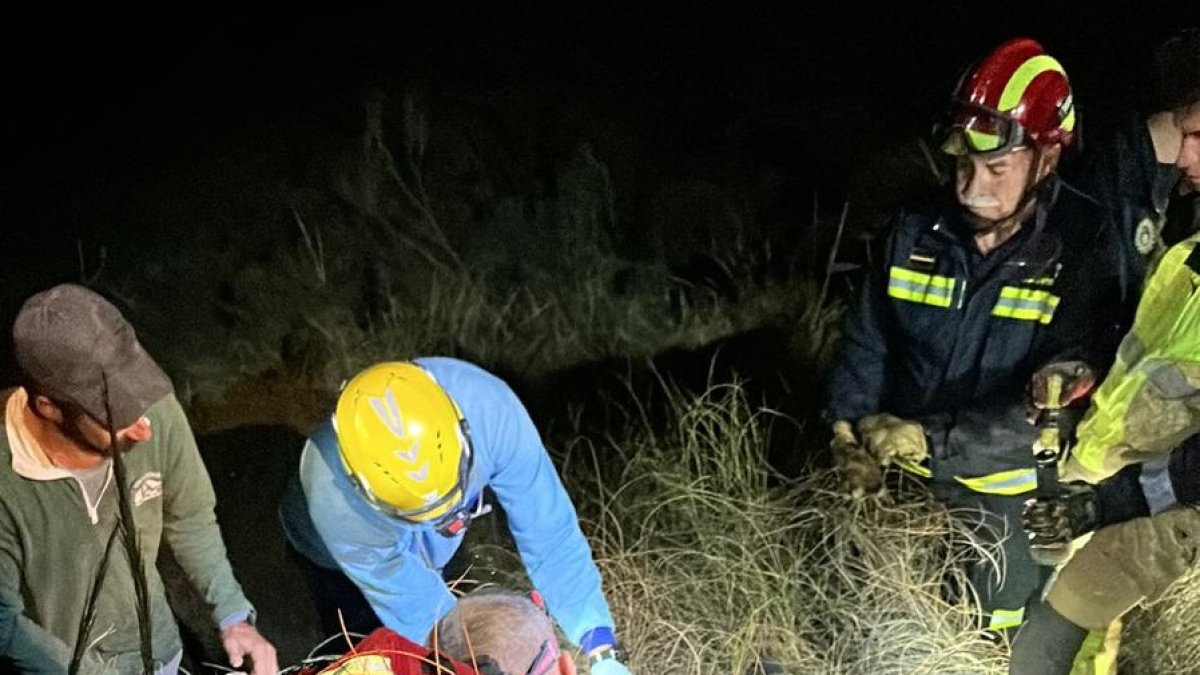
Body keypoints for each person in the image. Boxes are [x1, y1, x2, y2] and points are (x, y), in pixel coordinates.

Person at [825, 36, 1132, 641]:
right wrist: (845, 427)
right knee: (872, 625)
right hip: (904, 484)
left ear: (1045, 160)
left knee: (985, 639)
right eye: (963, 165)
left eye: (995, 168)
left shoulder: (1085, 254)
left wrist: (927, 438)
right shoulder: (915, 230)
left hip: (1008, 502)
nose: (971, 187)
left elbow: (1054, 416)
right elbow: (869, 340)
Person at [1011, 34, 1200, 673]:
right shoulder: (1187, 250)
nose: (1184, 155)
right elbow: (1145, 366)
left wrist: (1107, 503)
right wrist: (1079, 379)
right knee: (1075, 640)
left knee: (1042, 646)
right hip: (1118, 478)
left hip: (1167, 502)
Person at [279, 358, 632, 675]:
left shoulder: (491, 411)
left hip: (415, 538)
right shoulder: (335, 497)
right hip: (334, 559)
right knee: (368, 646)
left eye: (452, 499)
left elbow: (549, 534)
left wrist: (599, 643)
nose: (446, 520)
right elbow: (424, 615)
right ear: (365, 488)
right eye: (422, 514)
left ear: (463, 435)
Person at [0, 283, 277, 674]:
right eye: (116, 416)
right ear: (48, 407)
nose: (144, 430)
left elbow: (190, 516)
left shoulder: (152, 410)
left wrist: (232, 613)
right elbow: (6, 624)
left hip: (158, 651)